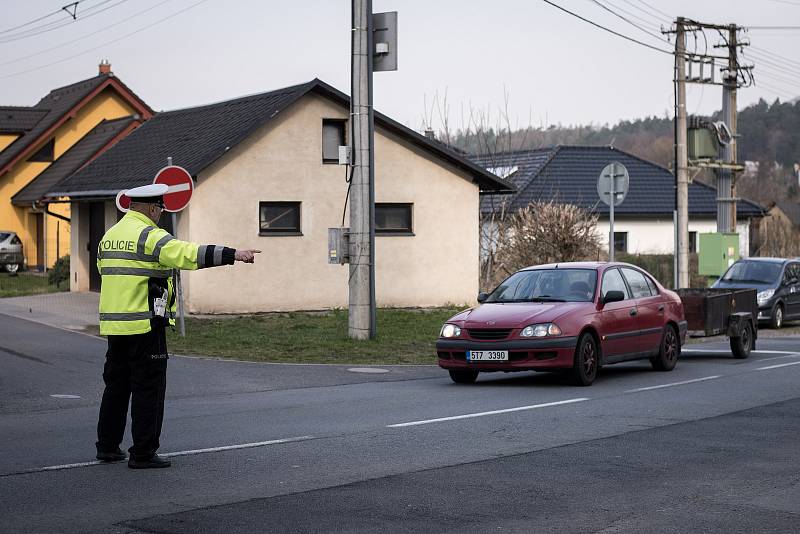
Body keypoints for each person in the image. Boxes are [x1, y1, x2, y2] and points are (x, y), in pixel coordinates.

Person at [95, 183, 260, 469]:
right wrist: (232, 254)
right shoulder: (150, 235)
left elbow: (104, 271)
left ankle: (108, 447)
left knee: (116, 388)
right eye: (160, 208)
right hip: (145, 326)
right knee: (149, 389)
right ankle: (143, 453)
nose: (160, 214)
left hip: (115, 326)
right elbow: (188, 254)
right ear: (149, 207)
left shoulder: (109, 236)